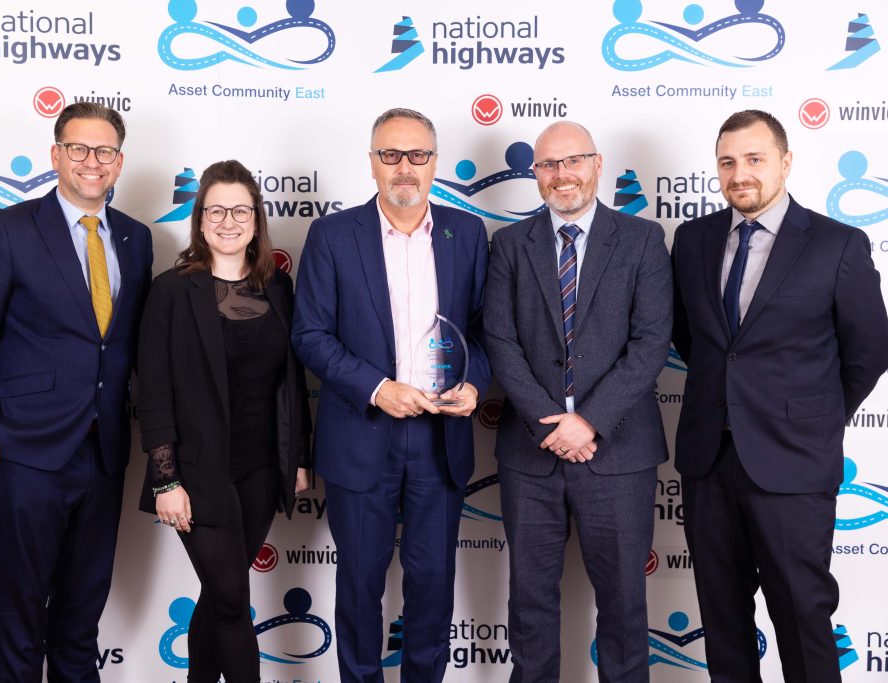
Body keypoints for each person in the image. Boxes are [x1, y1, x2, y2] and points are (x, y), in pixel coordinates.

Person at [671, 109, 888, 682]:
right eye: (727, 161)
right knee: (722, 622)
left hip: (794, 462)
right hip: (708, 461)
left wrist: (814, 418)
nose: (739, 173)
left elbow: (869, 350)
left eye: (754, 159)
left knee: (802, 618)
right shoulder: (692, 241)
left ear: (786, 162)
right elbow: (691, 339)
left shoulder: (837, 245)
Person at [0, 102, 153, 681]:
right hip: (26, 452)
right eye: (80, 149)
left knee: (81, 614)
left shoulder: (136, 239)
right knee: (20, 612)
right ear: (56, 155)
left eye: (105, 151)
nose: (93, 161)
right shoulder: (7, 230)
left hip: (105, 452)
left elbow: (123, 346)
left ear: (119, 162)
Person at [291, 108, 490, 682]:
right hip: (361, 437)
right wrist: (377, 389)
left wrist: (474, 381)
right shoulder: (332, 235)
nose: (405, 168)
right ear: (372, 162)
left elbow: (483, 330)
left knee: (432, 586)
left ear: (435, 162)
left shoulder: (467, 233)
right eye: (391, 155)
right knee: (358, 585)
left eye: (418, 155)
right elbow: (309, 334)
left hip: (440, 440)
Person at [483, 121, 672, 682]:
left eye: (573, 161)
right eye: (548, 165)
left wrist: (587, 421)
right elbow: (500, 339)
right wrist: (552, 425)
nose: (561, 175)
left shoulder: (643, 240)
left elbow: (650, 342)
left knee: (622, 611)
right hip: (531, 454)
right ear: (535, 173)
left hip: (618, 453)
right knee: (531, 608)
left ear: (596, 163)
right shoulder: (509, 245)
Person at [136, 160, 311, 683]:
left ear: (256, 219)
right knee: (234, 600)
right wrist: (166, 479)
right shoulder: (171, 290)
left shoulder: (277, 287)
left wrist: (298, 457)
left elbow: (292, 381)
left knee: (219, 592)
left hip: (260, 468)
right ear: (200, 218)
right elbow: (154, 390)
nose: (228, 221)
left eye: (240, 209)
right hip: (196, 472)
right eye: (217, 209)